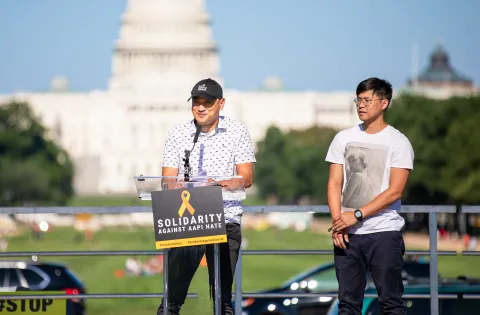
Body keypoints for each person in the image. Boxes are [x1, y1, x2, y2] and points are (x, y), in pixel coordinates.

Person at [157, 78, 256, 315]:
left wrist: (215, 185)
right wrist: (181, 185)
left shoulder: (237, 131)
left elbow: (246, 178)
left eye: (207, 103)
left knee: (222, 299)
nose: (200, 108)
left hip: (225, 219)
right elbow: (167, 179)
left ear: (221, 104)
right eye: (196, 102)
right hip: (188, 220)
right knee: (172, 297)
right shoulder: (178, 134)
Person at [325, 77, 414, 315]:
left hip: (383, 232)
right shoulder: (343, 138)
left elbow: (395, 190)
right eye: (358, 99)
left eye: (367, 99)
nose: (361, 105)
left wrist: (356, 215)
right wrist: (338, 224)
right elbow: (334, 184)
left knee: (391, 304)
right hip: (347, 235)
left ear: (384, 103)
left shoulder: (398, 142)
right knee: (347, 306)